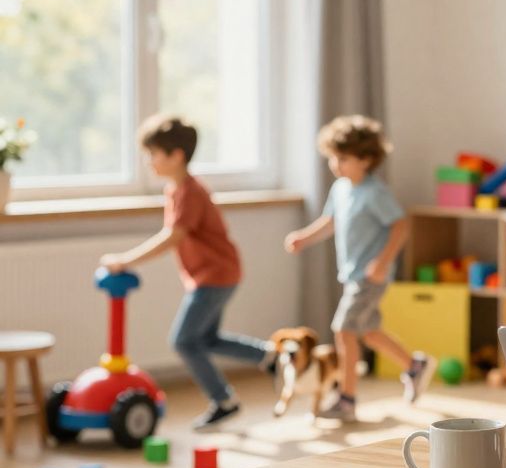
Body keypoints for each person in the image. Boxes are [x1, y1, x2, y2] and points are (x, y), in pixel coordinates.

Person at [101, 115, 275, 430]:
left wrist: (126, 260)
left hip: (215, 275)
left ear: (176, 155)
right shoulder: (177, 189)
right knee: (205, 339)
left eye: (153, 154)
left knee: (183, 341)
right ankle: (269, 357)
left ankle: (224, 399)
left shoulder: (189, 192)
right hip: (214, 274)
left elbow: (173, 237)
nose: (148, 161)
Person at [285, 115, 435, 422]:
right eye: (332, 158)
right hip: (352, 274)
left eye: (343, 159)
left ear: (366, 160)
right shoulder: (341, 188)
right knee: (367, 332)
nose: (335, 165)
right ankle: (414, 365)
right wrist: (304, 238)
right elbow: (330, 222)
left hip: (369, 277)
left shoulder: (374, 192)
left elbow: (400, 226)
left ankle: (347, 399)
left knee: (344, 330)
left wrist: (382, 262)